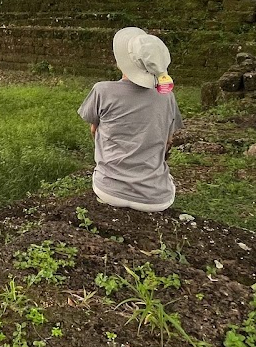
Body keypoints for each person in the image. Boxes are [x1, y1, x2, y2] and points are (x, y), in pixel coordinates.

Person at [78, 27, 182, 212]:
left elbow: (94, 131)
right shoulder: (167, 96)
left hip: (108, 189)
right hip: (155, 199)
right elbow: (168, 141)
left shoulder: (102, 90)